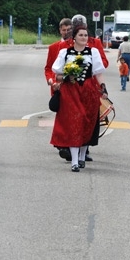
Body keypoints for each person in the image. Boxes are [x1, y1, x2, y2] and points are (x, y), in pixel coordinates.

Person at [50, 24, 108, 172]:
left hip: (88, 91)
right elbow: (57, 75)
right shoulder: (65, 52)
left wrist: (103, 87)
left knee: (87, 122)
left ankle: (82, 155)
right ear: (74, 37)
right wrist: (66, 76)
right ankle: (74, 161)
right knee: (74, 122)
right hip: (70, 91)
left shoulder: (93, 52)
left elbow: (98, 73)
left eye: (85, 35)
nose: (84, 37)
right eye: (81, 35)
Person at [45, 18, 74, 162]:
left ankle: (70, 145)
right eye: (64, 30)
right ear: (60, 31)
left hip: (74, 87)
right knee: (62, 117)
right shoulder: (53, 47)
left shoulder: (77, 45)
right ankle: (63, 144)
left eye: (69, 30)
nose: (66, 32)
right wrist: (51, 81)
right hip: (58, 87)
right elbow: (49, 68)